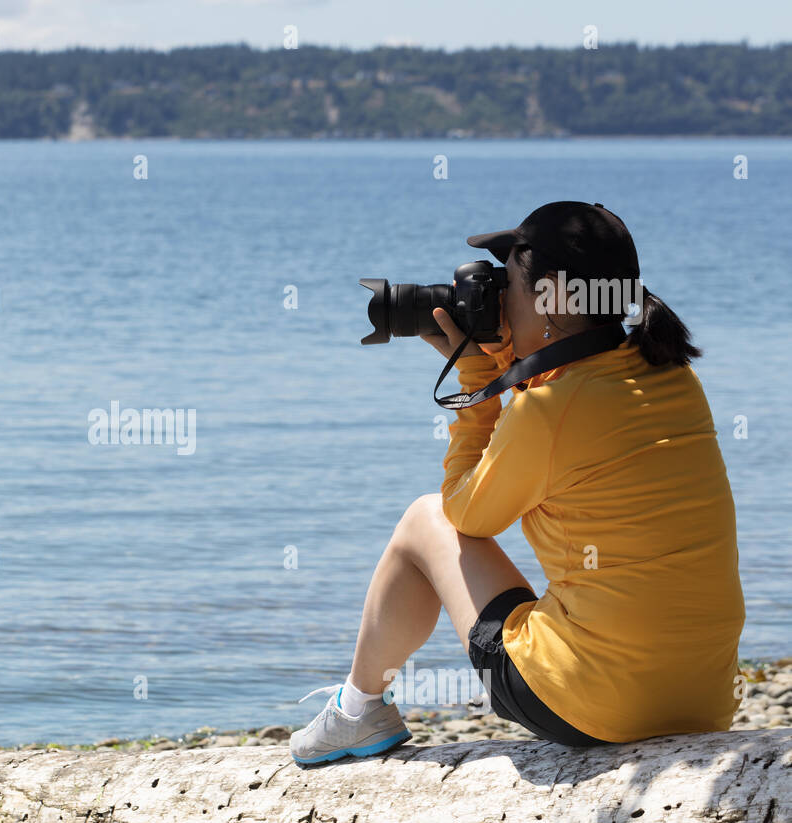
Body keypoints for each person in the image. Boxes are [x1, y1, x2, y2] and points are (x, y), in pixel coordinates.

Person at [291, 201, 744, 765]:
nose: (500, 299)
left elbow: (465, 516)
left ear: (551, 297)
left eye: (511, 284)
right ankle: (356, 712)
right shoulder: (675, 374)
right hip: (704, 699)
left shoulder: (550, 408)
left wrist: (480, 376)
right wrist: (527, 365)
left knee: (424, 519)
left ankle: (356, 712)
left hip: (595, 706)